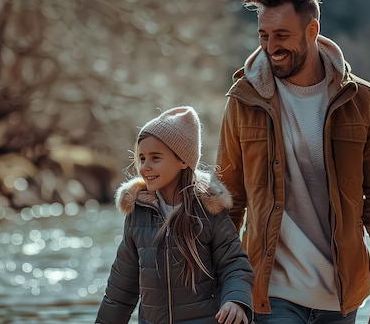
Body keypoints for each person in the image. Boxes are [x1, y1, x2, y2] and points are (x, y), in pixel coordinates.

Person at [215, 0, 370, 324]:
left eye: (282, 35)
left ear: (311, 30)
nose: (271, 46)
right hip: (270, 294)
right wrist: (225, 287)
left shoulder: (364, 101)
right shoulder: (244, 100)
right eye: (264, 35)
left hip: (341, 295)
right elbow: (227, 200)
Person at [96, 106, 254, 324]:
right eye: (142, 158)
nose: (145, 167)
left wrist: (235, 300)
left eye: (155, 158)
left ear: (182, 161)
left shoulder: (208, 211)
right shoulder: (138, 214)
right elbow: (120, 291)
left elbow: (234, 265)